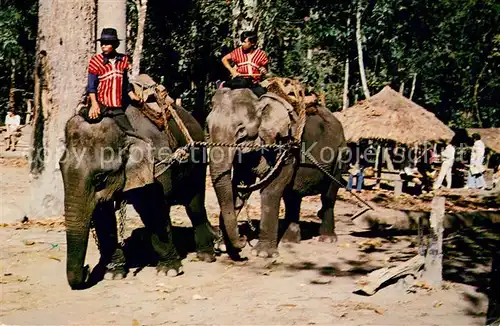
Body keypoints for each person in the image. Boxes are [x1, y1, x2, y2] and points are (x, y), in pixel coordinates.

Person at [87, 28, 142, 137]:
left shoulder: (123, 60)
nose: (103, 46)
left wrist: (131, 94)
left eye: (107, 43)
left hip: (116, 106)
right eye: (102, 43)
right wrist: (94, 104)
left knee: (130, 133)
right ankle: (83, 109)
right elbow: (91, 86)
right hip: (102, 104)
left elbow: (125, 81)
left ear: (115, 44)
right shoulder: (96, 61)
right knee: (92, 118)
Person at [221, 31, 269, 97]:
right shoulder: (238, 52)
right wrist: (232, 71)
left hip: (253, 83)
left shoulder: (261, 54)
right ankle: (224, 84)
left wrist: (264, 70)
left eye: (244, 42)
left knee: (262, 93)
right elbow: (224, 59)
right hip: (240, 80)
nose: (242, 44)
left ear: (252, 43)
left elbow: (265, 69)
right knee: (243, 82)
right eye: (242, 41)